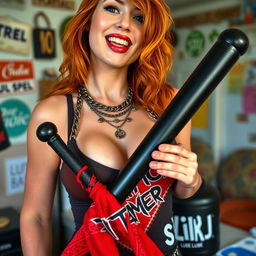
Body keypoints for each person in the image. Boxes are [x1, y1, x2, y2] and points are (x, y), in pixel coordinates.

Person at [20, 0, 202, 255]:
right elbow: (35, 217)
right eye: (113, 8)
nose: (124, 23)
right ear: (87, 21)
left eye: (139, 18)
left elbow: (183, 191)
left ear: (146, 36)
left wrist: (192, 179)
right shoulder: (53, 114)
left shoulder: (168, 102)